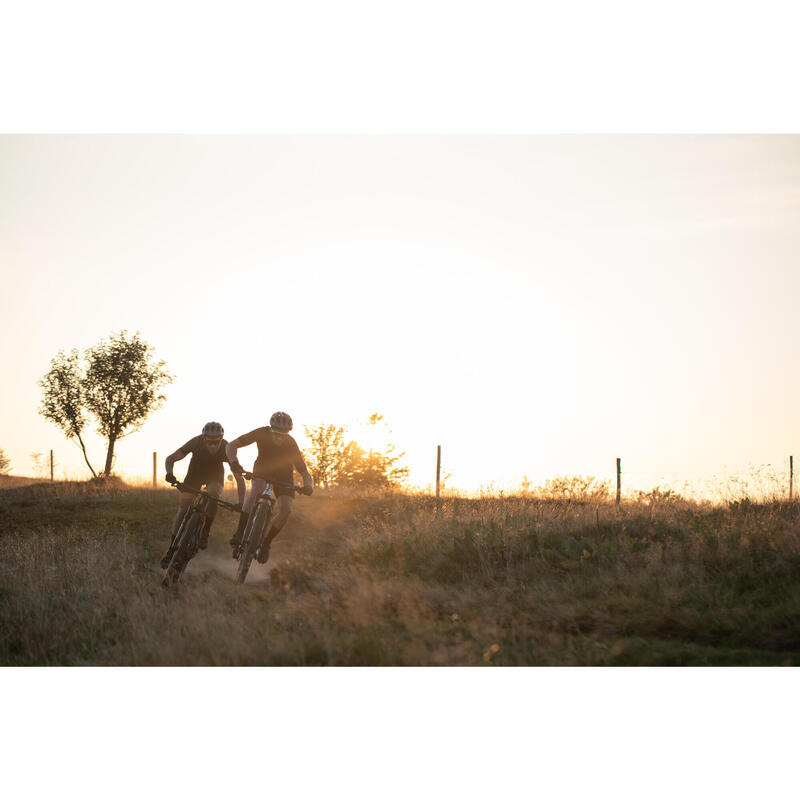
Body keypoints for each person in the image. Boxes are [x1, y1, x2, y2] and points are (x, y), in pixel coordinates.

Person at [226, 411, 313, 564]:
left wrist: (308, 486)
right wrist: (234, 463)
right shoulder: (261, 432)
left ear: (288, 433)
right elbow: (231, 446)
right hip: (262, 469)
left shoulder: (291, 443)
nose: (279, 437)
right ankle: (240, 532)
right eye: (276, 433)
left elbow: (305, 473)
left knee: (286, 509)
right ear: (270, 429)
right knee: (256, 491)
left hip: (284, 476)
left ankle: (266, 544)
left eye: (283, 434)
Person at [160, 421, 246, 569]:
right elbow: (170, 458)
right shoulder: (196, 442)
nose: (212, 445)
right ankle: (171, 548)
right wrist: (169, 474)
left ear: (221, 439)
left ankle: (205, 531)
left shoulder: (226, 448)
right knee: (183, 509)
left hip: (215, 476)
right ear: (204, 438)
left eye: (216, 442)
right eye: (209, 442)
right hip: (195, 475)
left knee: (213, 494)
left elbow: (239, 478)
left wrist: (241, 501)